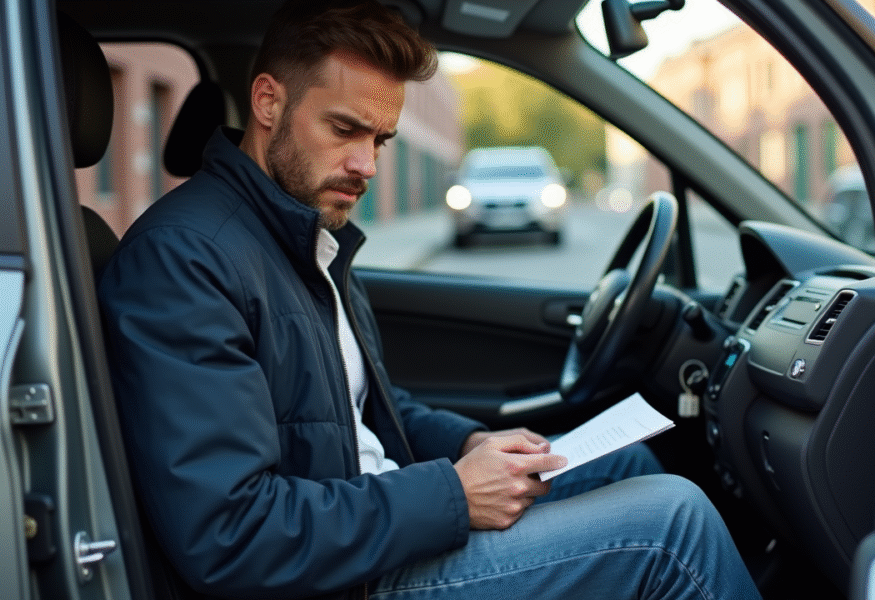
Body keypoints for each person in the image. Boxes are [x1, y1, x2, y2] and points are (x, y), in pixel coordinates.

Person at [97, 1, 762, 598]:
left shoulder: (301, 235)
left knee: (629, 462)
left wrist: (475, 442)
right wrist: (453, 494)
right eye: (345, 129)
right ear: (268, 103)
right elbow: (231, 534)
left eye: (381, 139)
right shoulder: (184, 259)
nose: (368, 166)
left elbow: (363, 414)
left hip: (376, 528)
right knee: (674, 524)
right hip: (345, 580)